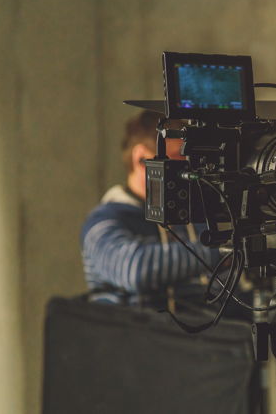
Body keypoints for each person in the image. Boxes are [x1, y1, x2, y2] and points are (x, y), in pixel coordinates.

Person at [80, 110, 222, 309]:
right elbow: (135, 269)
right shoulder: (104, 220)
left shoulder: (193, 212)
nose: (187, 170)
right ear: (140, 158)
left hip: (202, 325)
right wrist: (220, 253)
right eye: (177, 159)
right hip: (136, 327)